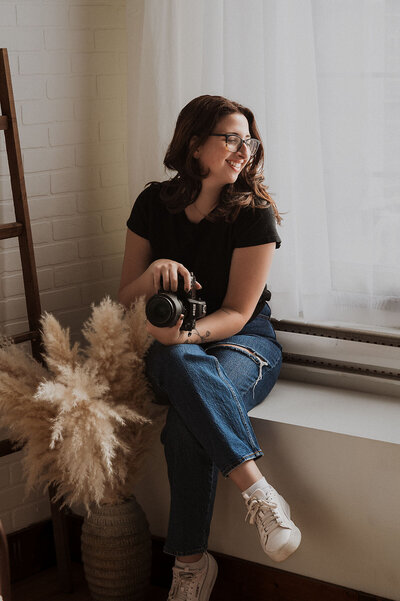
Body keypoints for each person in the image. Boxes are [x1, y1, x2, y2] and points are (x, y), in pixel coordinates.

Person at [118, 95, 301, 601]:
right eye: (232, 138)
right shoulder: (153, 204)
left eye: (249, 140)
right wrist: (152, 275)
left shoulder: (254, 213)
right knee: (176, 360)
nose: (244, 149)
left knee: (184, 424)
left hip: (246, 344)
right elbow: (123, 298)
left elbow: (240, 313)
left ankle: (192, 566)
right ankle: (258, 490)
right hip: (173, 348)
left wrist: (187, 336)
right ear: (195, 144)